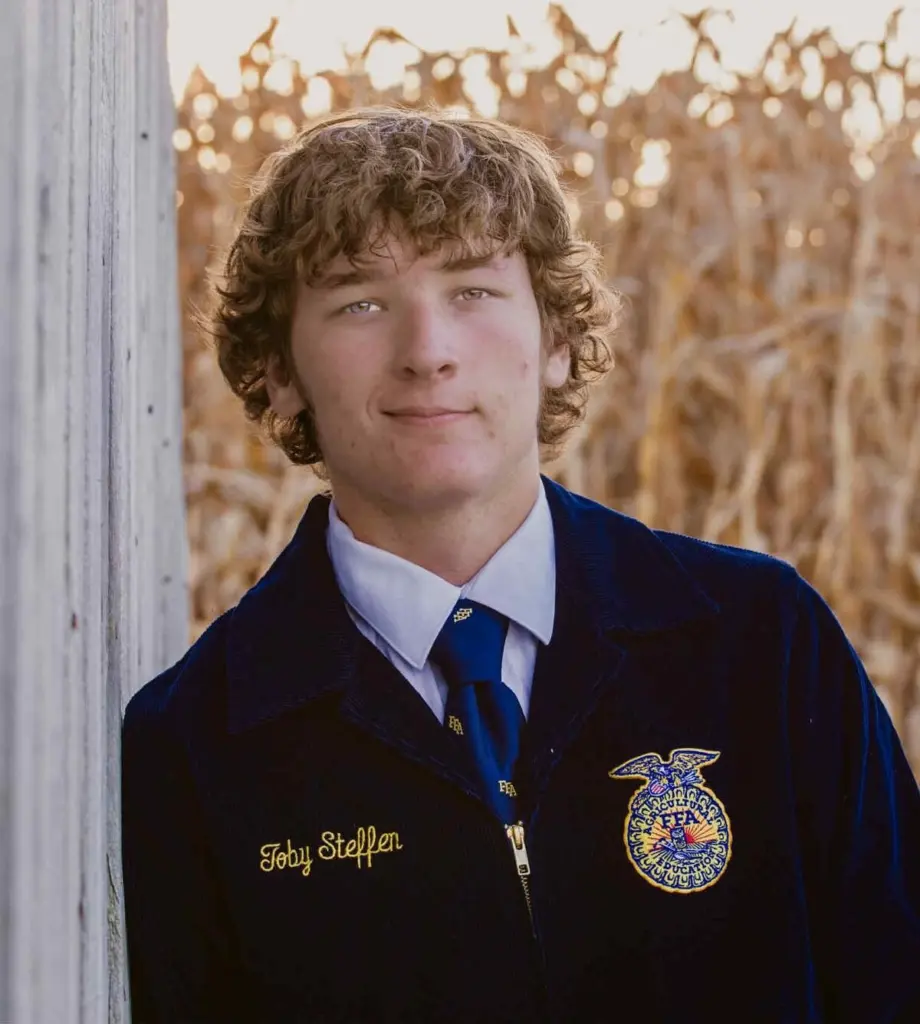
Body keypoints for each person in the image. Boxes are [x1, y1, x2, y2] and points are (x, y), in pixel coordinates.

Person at [121, 105, 920, 1023]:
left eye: (474, 291)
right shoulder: (197, 742)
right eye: (361, 303)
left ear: (558, 340)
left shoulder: (761, 644)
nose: (429, 353)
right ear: (278, 370)